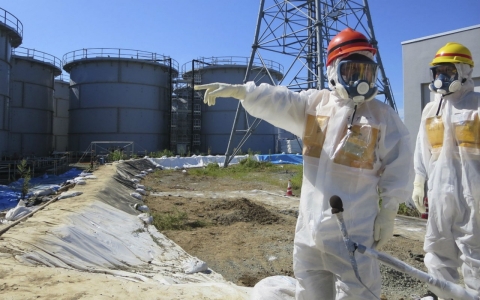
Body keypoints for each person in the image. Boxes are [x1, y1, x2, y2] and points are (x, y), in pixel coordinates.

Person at [195, 28, 413, 300]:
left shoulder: (381, 117)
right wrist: (243, 91)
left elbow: (400, 163)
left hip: (354, 233)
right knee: (309, 292)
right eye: (352, 71)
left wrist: (389, 209)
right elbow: (280, 100)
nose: (361, 80)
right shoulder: (314, 106)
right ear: (334, 71)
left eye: (366, 72)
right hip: (309, 232)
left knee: (359, 294)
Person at [412, 42, 480, 299]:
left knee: (475, 252)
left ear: (464, 72)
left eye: (448, 72)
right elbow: (422, 148)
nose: (441, 78)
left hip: (473, 193)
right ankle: (442, 295)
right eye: (438, 73)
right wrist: (419, 180)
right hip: (440, 192)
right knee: (437, 247)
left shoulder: (476, 106)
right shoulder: (431, 110)